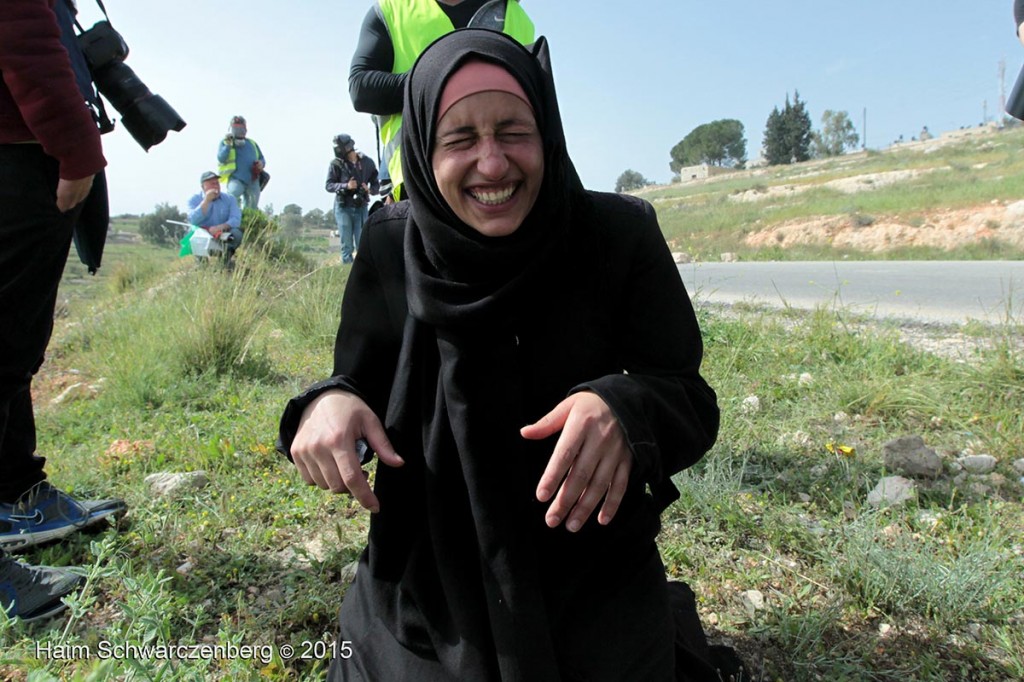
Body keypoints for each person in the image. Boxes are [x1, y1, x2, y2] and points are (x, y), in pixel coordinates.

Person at [280, 30, 724, 680]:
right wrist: (327, 403)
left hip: (589, 570)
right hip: (426, 580)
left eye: (513, 132)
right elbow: (358, 382)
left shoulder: (617, 235)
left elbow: (688, 395)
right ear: (423, 151)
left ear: (546, 132)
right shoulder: (387, 246)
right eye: (460, 140)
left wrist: (622, 407)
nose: (493, 164)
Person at [1, 0, 126, 622]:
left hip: (20, 145)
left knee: (13, 350)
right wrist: (77, 147)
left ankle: (16, 498)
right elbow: (20, 33)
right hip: (18, 153)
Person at [349, 0, 534, 200]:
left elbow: (537, 99)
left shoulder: (515, 14)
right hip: (418, 178)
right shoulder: (390, 10)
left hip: (503, 177)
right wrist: (444, 82)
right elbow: (361, 90)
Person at [326, 134, 379, 264]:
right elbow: (329, 185)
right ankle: (347, 271)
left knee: (363, 243)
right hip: (343, 207)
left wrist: (370, 190)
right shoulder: (336, 164)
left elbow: (376, 184)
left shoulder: (367, 162)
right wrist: (346, 186)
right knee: (346, 244)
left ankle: (363, 271)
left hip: (361, 207)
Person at [188, 170, 244, 267]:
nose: (215, 186)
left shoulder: (230, 199)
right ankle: (201, 264)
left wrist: (220, 227)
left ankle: (225, 262)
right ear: (203, 187)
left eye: (217, 183)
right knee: (192, 232)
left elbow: (236, 219)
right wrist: (206, 201)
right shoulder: (194, 200)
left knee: (237, 233)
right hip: (203, 236)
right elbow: (193, 220)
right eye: (211, 184)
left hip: (222, 235)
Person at [217, 115, 265, 211]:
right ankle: (231, 221)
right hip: (236, 179)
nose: (240, 131)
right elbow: (221, 158)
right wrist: (228, 146)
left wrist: (261, 163)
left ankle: (247, 224)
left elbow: (262, 158)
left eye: (242, 129)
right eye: (236, 129)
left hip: (253, 180)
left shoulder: (252, 143)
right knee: (232, 199)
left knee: (252, 206)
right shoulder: (226, 142)